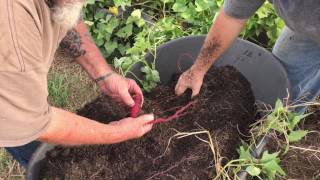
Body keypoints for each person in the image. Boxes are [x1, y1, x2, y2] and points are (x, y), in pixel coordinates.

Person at [0, 0, 154, 167]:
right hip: (12, 110)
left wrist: (104, 74)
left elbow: (64, 9)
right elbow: (30, 121)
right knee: (45, 158)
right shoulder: (11, 34)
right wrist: (117, 133)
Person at [175, 0, 320, 108]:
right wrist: (198, 70)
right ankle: (282, 121)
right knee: (285, 82)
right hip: (305, 27)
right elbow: (232, 18)